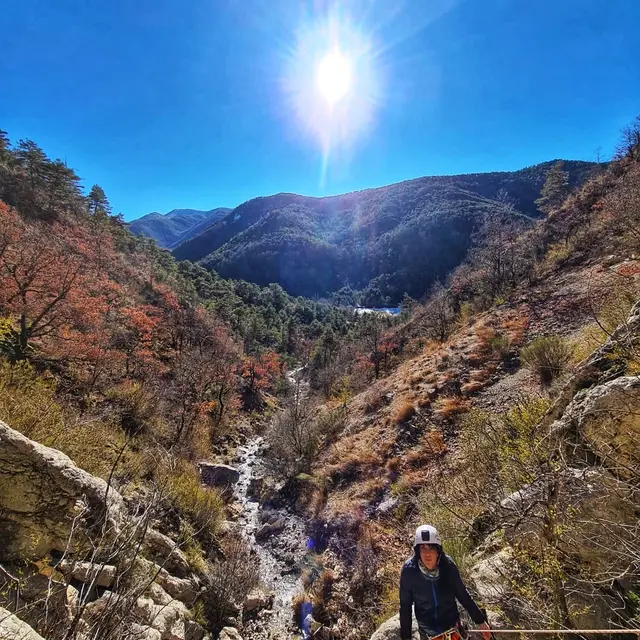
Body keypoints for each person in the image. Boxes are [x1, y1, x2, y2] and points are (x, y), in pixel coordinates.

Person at [400, 525, 491, 640]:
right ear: (417, 551)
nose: (427, 553)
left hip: (453, 628)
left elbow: (462, 595)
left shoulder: (448, 566)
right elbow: (405, 607)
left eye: (431, 548)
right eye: (423, 548)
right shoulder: (409, 571)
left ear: (438, 551)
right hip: (428, 632)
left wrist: (480, 621)